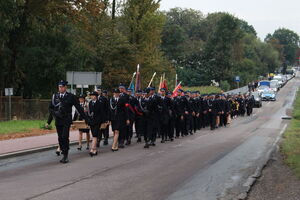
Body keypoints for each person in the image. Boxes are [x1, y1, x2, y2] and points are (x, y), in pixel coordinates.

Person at [47, 80, 90, 163]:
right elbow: (50, 108)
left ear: (65, 87)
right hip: (58, 120)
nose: (60, 88)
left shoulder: (71, 96)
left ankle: (65, 155)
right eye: (59, 87)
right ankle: (63, 149)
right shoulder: (55, 96)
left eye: (62, 87)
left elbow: (79, 108)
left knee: (64, 136)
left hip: (66, 119)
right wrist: (52, 116)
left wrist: (86, 118)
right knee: (60, 138)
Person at [88, 91, 104, 157]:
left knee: (95, 135)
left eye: (93, 95)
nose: (92, 97)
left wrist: (104, 121)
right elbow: (89, 112)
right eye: (91, 95)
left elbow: (102, 112)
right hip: (92, 121)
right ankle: (95, 150)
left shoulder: (100, 103)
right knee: (94, 134)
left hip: (98, 121)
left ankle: (92, 149)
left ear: (96, 96)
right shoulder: (90, 103)